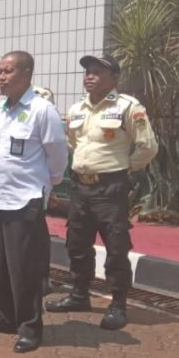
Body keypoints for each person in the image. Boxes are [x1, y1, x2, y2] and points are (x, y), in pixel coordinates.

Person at [46, 54, 158, 330]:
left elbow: (147, 146)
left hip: (110, 188)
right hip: (80, 187)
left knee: (116, 247)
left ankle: (118, 303)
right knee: (77, 244)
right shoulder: (77, 109)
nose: (89, 76)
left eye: (97, 72)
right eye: (87, 72)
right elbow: (74, 144)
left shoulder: (127, 107)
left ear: (114, 79)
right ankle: (79, 295)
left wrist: (123, 168)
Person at [0, 51, 68, 353]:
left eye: (8, 71)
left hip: (25, 200)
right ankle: (2, 317)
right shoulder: (0, 110)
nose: (1, 77)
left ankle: (29, 328)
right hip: (0, 199)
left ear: (26, 75)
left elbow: (58, 155)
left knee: (24, 268)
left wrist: (46, 184)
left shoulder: (42, 110)